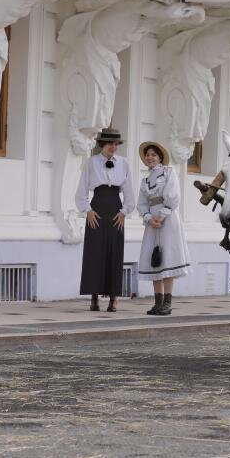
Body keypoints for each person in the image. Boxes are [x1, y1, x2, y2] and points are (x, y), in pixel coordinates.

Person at [75, 127, 136, 312]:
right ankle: (94, 297)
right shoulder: (91, 162)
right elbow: (81, 191)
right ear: (102, 144)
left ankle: (114, 299)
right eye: (110, 143)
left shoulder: (124, 163)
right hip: (97, 210)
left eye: (116, 143)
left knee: (115, 253)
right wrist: (88, 210)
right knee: (95, 253)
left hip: (116, 212)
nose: (113, 146)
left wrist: (125, 211)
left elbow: (129, 193)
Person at [137, 141, 191, 316]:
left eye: (153, 154)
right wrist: (148, 218)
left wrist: (162, 214)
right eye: (147, 155)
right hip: (152, 223)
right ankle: (158, 303)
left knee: (167, 258)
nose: (150, 157)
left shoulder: (169, 172)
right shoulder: (144, 180)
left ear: (160, 157)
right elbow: (142, 203)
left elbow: (173, 194)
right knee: (155, 260)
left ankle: (167, 303)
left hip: (168, 220)